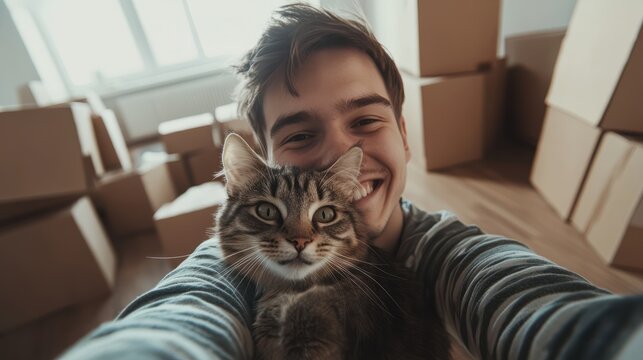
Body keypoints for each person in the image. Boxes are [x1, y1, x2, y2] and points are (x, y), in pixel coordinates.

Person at [61, 4, 643, 359]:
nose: (342, 154)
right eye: (298, 135)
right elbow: (179, 317)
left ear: (405, 134)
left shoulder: (448, 254)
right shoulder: (228, 266)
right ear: (257, 166)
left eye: (365, 121)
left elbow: (533, 305)